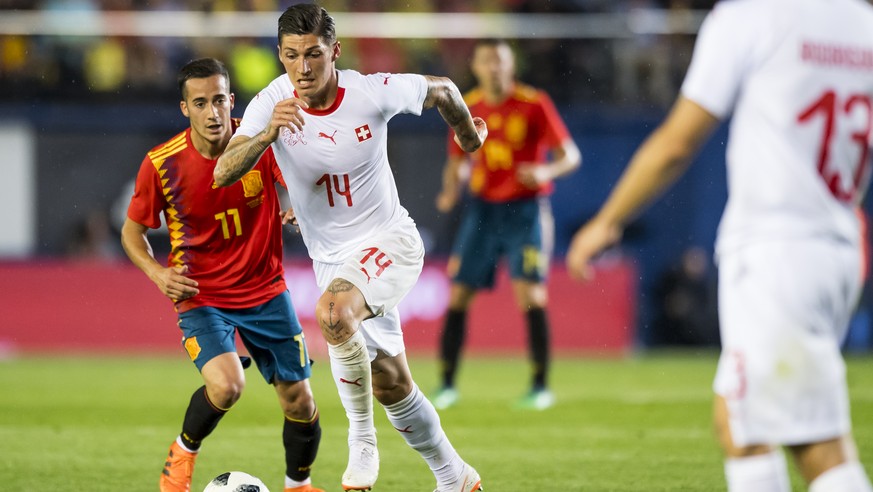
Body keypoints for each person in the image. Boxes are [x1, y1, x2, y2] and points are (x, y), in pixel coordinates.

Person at [566, 0, 873, 490]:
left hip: (778, 254)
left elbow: (677, 143)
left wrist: (608, 219)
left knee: (818, 447)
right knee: (738, 423)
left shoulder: (752, 17)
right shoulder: (861, 23)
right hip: (837, 243)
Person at [213, 5, 487, 492]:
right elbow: (223, 171)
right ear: (280, 55)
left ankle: (362, 441)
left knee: (333, 313)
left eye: (314, 54)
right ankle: (455, 476)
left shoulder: (369, 91)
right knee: (390, 383)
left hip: (391, 242)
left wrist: (468, 137)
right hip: (333, 261)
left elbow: (443, 88)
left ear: (334, 52)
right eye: (292, 56)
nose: (303, 68)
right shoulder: (271, 103)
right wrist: (268, 134)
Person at [120, 57, 323, 492]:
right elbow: (132, 232)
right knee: (229, 385)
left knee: (301, 403)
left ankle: (298, 485)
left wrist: (300, 211)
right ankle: (182, 453)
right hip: (203, 295)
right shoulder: (162, 163)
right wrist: (158, 274)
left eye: (218, 100)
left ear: (231, 100)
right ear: (184, 108)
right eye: (200, 103)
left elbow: (308, 183)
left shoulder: (260, 142)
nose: (212, 113)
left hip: (266, 290)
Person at [431, 38, 581, 411]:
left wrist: (547, 169)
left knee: (531, 295)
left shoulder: (533, 103)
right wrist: (452, 188)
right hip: (483, 211)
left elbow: (570, 155)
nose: (494, 67)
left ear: (511, 67)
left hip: (526, 211)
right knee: (459, 295)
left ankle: (539, 387)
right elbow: (458, 159)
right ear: (477, 67)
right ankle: (447, 385)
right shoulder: (468, 106)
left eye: (500, 61)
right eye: (487, 61)